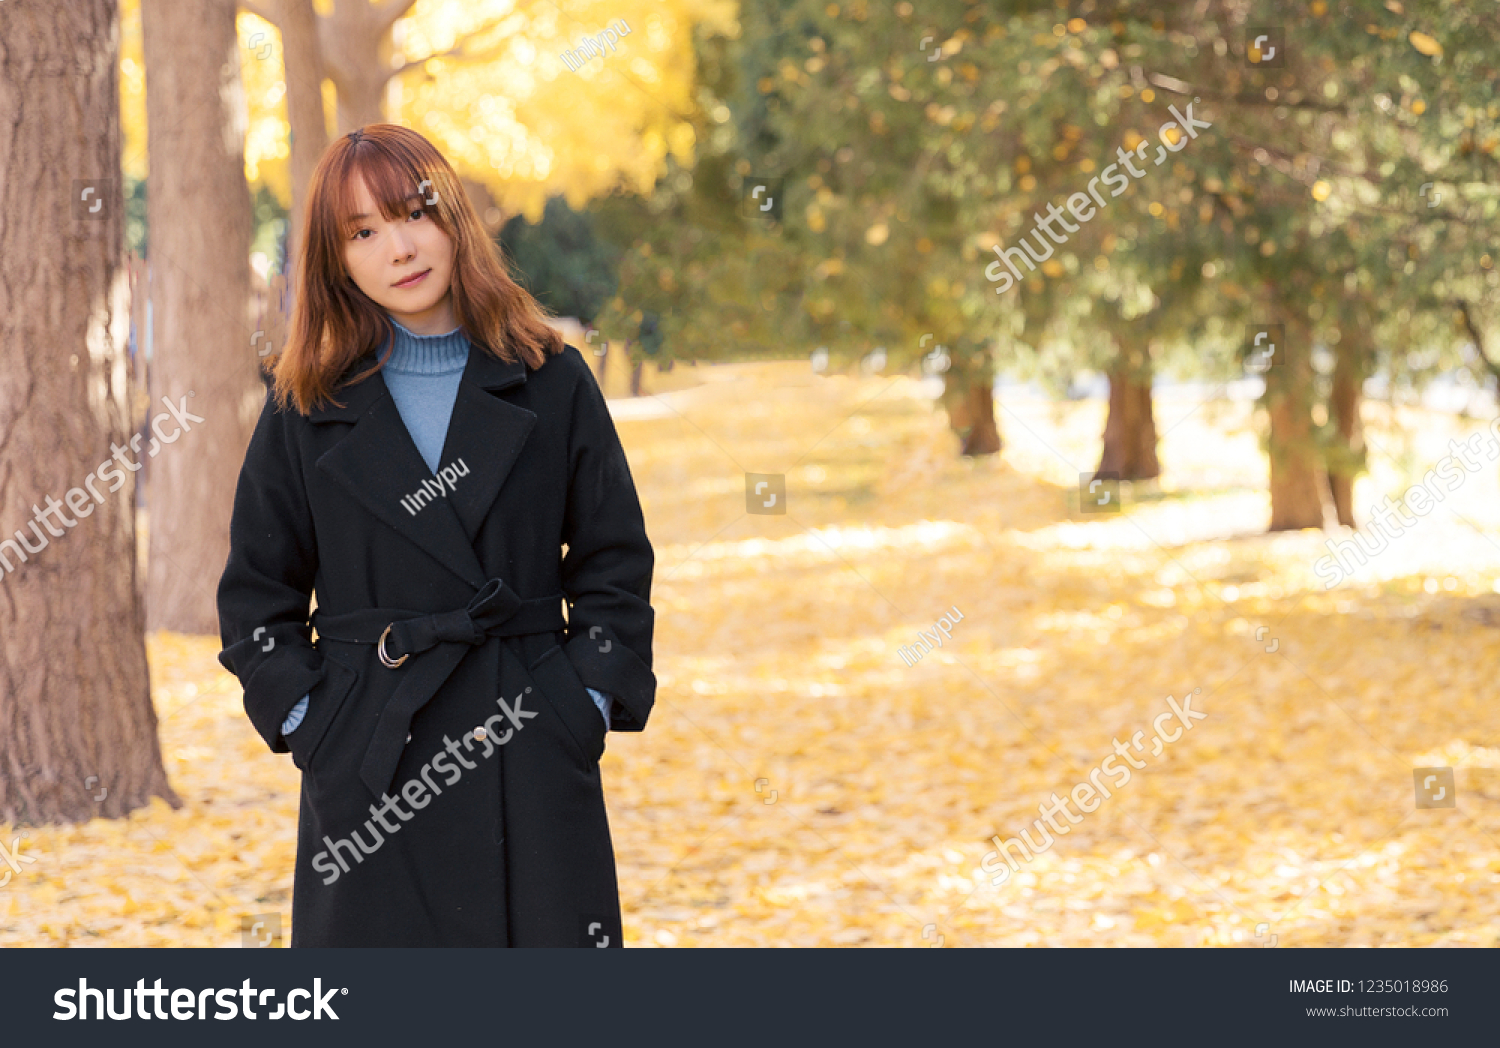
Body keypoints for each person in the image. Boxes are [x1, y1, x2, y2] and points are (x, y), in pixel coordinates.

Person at [215, 124, 655, 947]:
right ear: (335, 260)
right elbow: (256, 597)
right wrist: (316, 724)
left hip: (527, 740)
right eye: (363, 232)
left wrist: (580, 704)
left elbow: (614, 562)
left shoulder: (551, 380)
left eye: (414, 214)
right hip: (370, 765)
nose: (399, 248)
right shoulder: (306, 406)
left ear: (454, 219)